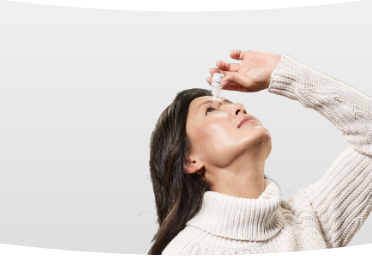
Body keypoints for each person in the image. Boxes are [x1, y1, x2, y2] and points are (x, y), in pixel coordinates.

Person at [148, 50, 372, 255]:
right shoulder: (187, 252)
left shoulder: (310, 220)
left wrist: (281, 73)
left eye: (231, 103)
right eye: (211, 109)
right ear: (189, 159)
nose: (239, 107)